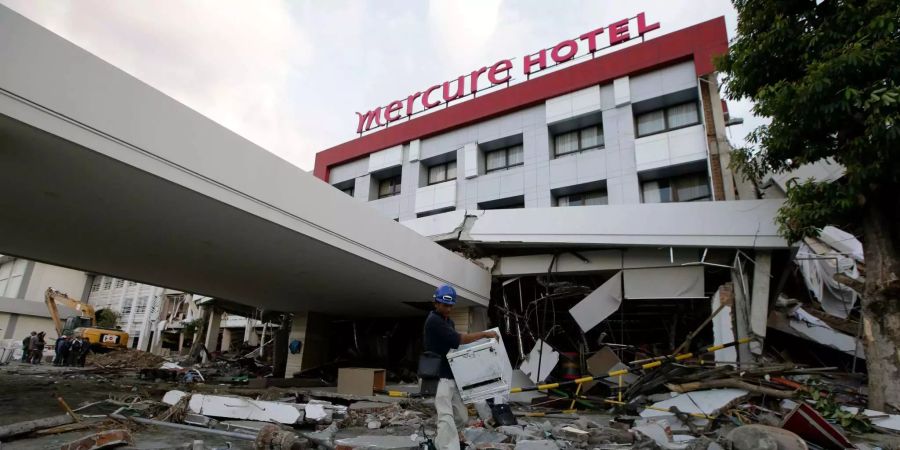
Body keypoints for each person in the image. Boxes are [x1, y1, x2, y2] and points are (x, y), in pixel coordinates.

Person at [424, 285, 499, 450]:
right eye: (445, 305)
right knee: (445, 415)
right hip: (438, 376)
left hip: (451, 374)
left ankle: (443, 441)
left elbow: (455, 345)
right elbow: (459, 340)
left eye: (451, 305)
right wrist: (484, 334)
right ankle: (446, 447)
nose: (448, 309)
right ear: (436, 303)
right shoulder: (434, 321)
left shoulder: (447, 321)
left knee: (461, 417)